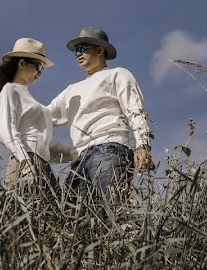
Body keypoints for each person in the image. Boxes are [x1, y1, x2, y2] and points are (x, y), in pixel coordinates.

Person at [48, 27, 153, 205]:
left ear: (99, 50)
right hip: (78, 162)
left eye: (82, 49)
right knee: (74, 222)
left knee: (116, 210)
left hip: (109, 151)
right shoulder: (71, 91)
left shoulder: (118, 74)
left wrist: (143, 145)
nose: (77, 54)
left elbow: (135, 109)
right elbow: (42, 116)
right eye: (75, 50)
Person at [0, 38, 76, 191]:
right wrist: (25, 162)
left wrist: (75, 153)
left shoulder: (27, 96)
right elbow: (5, 131)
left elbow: (43, 144)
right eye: (38, 66)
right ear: (21, 64)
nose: (40, 73)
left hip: (41, 165)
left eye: (42, 70)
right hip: (26, 163)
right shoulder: (10, 90)